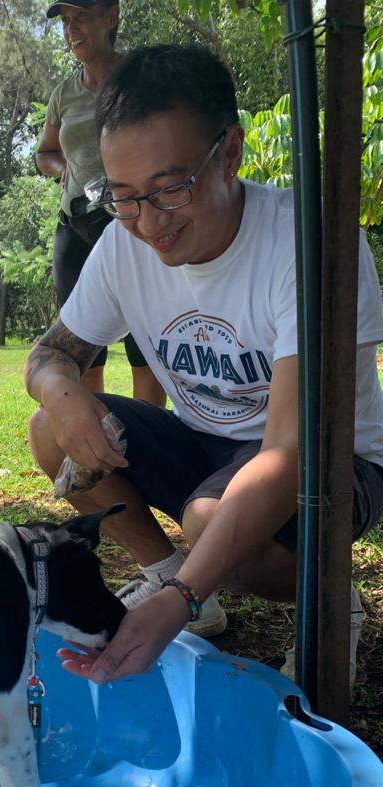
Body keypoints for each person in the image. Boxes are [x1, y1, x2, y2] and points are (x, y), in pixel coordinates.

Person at [24, 43, 383, 685]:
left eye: (169, 189)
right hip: (208, 444)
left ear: (232, 153)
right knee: (50, 431)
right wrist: (59, 391)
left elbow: (289, 451)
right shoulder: (122, 243)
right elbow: (50, 354)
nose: (147, 223)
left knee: (209, 519)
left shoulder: (311, 242)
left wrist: (174, 602)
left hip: (333, 461)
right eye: (124, 196)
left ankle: (328, 597)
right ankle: (184, 590)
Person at [36, 0, 165, 404]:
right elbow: (44, 153)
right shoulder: (64, 94)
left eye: (82, 18)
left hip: (135, 221)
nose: (71, 29)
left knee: (145, 341)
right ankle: (98, 441)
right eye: (66, 21)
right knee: (83, 345)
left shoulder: (142, 80)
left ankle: (151, 435)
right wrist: (69, 170)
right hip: (75, 224)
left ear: (111, 17)